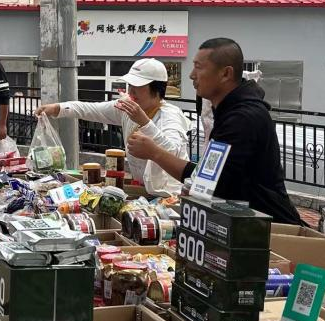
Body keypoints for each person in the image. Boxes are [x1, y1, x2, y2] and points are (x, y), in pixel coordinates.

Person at [127, 38, 301, 224]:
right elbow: (206, 177)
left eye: (199, 67)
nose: (192, 75)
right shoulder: (228, 111)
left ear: (226, 73)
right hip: (245, 222)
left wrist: (154, 152)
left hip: (268, 227)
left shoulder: (243, 118)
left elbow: (211, 182)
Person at [36, 59, 190, 196]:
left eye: (138, 86)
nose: (131, 91)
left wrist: (144, 122)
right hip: (143, 190)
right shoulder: (128, 108)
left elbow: (173, 153)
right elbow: (92, 109)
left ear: (156, 89)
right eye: (130, 85)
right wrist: (57, 108)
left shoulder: (170, 116)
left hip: (170, 195)